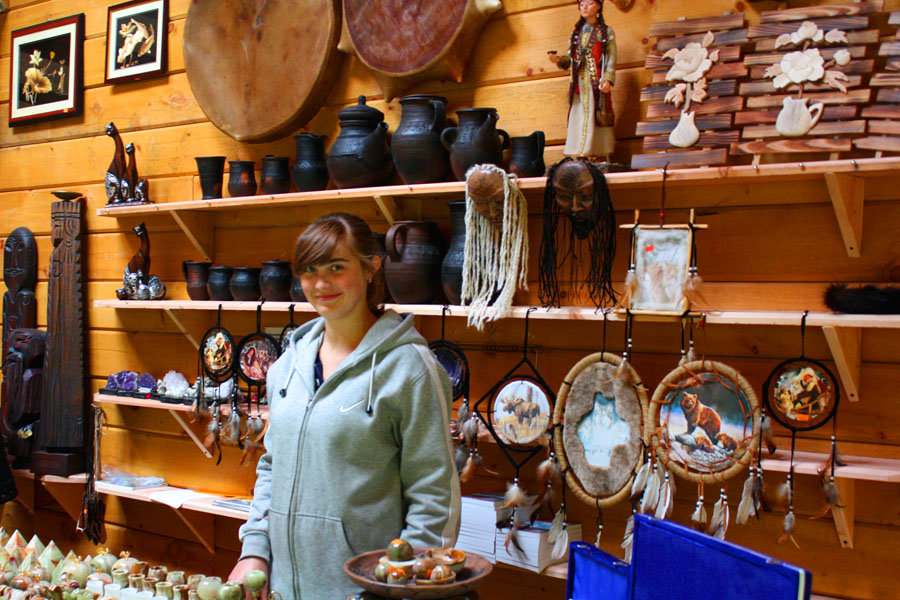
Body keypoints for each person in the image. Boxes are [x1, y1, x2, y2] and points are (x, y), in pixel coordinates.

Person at [230, 213, 460, 599]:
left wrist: (403, 587)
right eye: (309, 270)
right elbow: (273, 467)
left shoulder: (410, 369)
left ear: (371, 268)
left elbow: (435, 496)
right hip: (283, 588)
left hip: (366, 591)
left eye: (337, 267)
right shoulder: (286, 368)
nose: (321, 284)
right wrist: (254, 551)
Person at [548, 0, 617, 160]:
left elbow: (611, 57)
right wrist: (559, 59)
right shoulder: (576, 34)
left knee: (597, 115)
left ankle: (595, 151)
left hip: (596, 82)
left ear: (599, 6)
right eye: (582, 3)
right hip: (579, 82)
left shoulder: (606, 32)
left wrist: (608, 78)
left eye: (590, 3)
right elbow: (570, 58)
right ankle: (577, 151)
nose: (585, 7)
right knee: (578, 115)